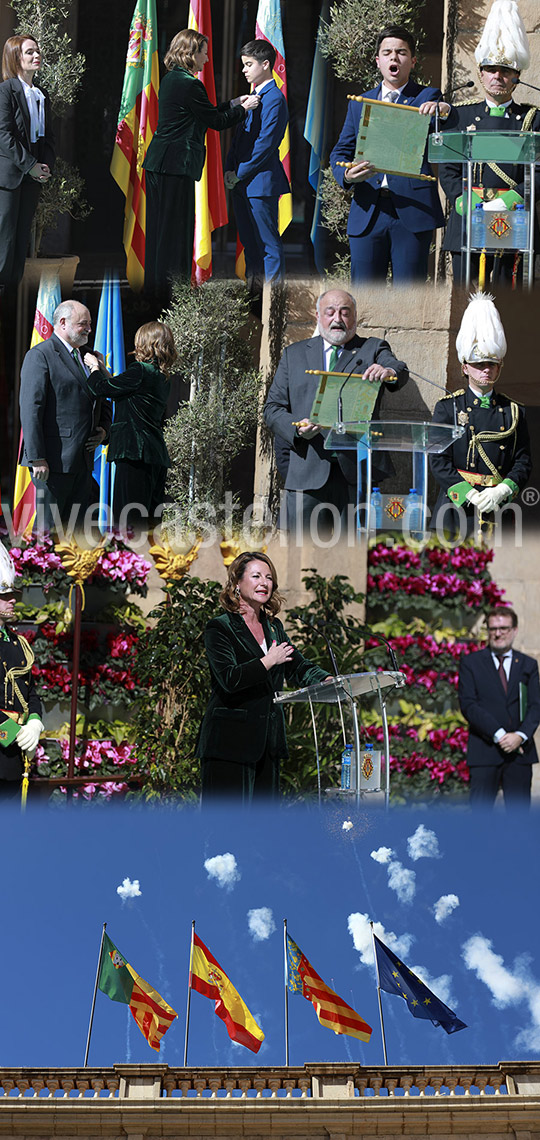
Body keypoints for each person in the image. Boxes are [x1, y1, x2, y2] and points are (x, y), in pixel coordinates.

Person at [263, 288, 408, 535]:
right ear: (318, 316)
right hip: (306, 473)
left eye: (345, 312)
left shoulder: (372, 348)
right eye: (330, 312)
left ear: (355, 317)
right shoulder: (294, 355)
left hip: (356, 475)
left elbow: (398, 369)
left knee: (352, 559)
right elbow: (272, 409)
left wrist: (389, 372)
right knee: (302, 560)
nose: (337, 319)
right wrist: (298, 429)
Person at [197, 552, 332, 801]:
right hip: (229, 743)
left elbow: (298, 665)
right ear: (237, 583)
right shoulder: (220, 627)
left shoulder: (274, 627)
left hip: (267, 741)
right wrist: (268, 661)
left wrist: (326, 681)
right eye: (256, 576)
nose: (264, 583)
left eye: (269, 577)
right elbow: (229, 678)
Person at [143, 29, 258, 300]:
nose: (207, 59)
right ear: (190, 53)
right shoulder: (190, 84)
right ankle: (171, 296)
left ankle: (157, 291)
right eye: (203, 52)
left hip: (160, 164)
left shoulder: (173, 79)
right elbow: (215, 122)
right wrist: (246, 108)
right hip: (174, 166)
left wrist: (232, 103)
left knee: (160, 235)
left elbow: (202, 112)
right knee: (175, 236)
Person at [329, 25, 447, 283]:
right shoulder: (359, 102)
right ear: (378, 61)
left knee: (411, 298)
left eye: (402, 52)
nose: (394, 57)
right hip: (368, 209)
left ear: (413, 61)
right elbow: (339, 152)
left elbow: (449, 121)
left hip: (412, 212)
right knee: (364, 299)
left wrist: (445, 109)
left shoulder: (427, 97)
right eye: (388, 52)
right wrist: (347, 175)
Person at [439, 0, 540, 286]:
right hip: (468, 216)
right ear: (481, 73)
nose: (498, 76)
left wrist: (512, 199)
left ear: (517, 77)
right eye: (492, 69)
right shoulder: (460, 114)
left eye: (506, 71)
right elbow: (447, 167)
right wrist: (462, 199)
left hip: (514, 218)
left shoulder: (533, 119)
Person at [430, 292, 531, 537]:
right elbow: (438, 460)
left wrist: (503, 490)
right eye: (479, 365)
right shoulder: (448, 408)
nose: (486, 370)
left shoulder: (514, 411)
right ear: (465, 367)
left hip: (498, 508)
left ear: (500, 367)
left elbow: (523, 461)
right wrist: (469, 494)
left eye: (492, 365)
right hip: (455, 510)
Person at [19, 299, 113, 534]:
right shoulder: (40, 356)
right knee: (49, 534)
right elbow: (31, 409)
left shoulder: (90, 357)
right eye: (84, 324)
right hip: (51, 463)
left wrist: (104, 429)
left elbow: (105, 398)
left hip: (82, 462)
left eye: (90, 324)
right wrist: (37, 457)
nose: (89, 329)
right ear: (63, 323)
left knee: (79, 535)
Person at [84, 321, 177, 528]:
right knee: (150, 523)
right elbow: (120, 387)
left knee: (128, 522)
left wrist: (92, 367)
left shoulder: (140, 371)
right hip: (154, 456)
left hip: (135, 453)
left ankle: (129, 559)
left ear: (144, 343)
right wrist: (102, 368)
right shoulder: (161, 376)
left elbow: (101, 388)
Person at [459, 607, 540, 808]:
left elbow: (536, 705)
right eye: (493, 628)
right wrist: (500, 734)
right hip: (484, 751)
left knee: (519, 819)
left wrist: (520, 735)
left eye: (504, 628)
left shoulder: (528, 665)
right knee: (480, 818)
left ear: (514, 630)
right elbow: (468, 704)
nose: (498, 633)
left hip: (520, 752)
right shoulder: (471, 663)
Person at [224, 39, 289, 285]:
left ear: (265, 64)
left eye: (249, 64)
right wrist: (229, 169)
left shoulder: (274, 99)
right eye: (243, 64)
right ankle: (255, 300)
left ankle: (273, 305)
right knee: (250, 246)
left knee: (268, 246)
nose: (244, 70)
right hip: (241, 182)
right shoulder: (252, 96)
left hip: (260, 184)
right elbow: (238, 139)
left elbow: (265, 144)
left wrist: (238, 172)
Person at [0, 34, 54, 287]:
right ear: (16, 58)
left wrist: (45, 166)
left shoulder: (41, 94)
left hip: (31, 180)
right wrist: (29, 165)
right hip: (9, 178)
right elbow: (3, 135)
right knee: (5, 241)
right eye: (30, 52)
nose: (37, 55)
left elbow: (48, 137)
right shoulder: (6, 90)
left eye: (38, 51)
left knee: (21, 240)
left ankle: (11, 293)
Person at [0, 543, 43, 797]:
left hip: (13, 764)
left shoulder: (18, 644)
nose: (13, 599)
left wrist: (35, 723)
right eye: (5, 595)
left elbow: (31, 693)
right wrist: (14, 733)